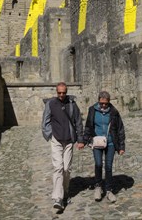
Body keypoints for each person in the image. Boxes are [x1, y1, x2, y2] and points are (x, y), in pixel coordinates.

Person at [42, 82, 84, 211]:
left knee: (66, 168)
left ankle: (65, 192)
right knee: (58, 167)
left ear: (66, 92)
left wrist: (80, 139)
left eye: (63, 92)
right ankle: (58, 198)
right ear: (56, 92)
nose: (61, 95)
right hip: (56, 140)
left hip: (69, 140)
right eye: (59, 92)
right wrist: (50, 135)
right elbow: (45, 121)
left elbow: (78, 121)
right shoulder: (51, 104)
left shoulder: (72, 104)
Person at [84, 90, 125, 203]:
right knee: (98, 164)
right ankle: (98, 187)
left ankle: (108, 190)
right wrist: (84, 140)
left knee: (108, 166)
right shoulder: (92, 110)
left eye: (106, 103)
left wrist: (121, 146)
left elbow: (120, 129)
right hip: (97, 142)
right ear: (98, 101)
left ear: (108, 102)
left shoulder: (114, 112)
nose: (103, 105)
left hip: (110, 143)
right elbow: (88, 126)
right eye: (101, 103)